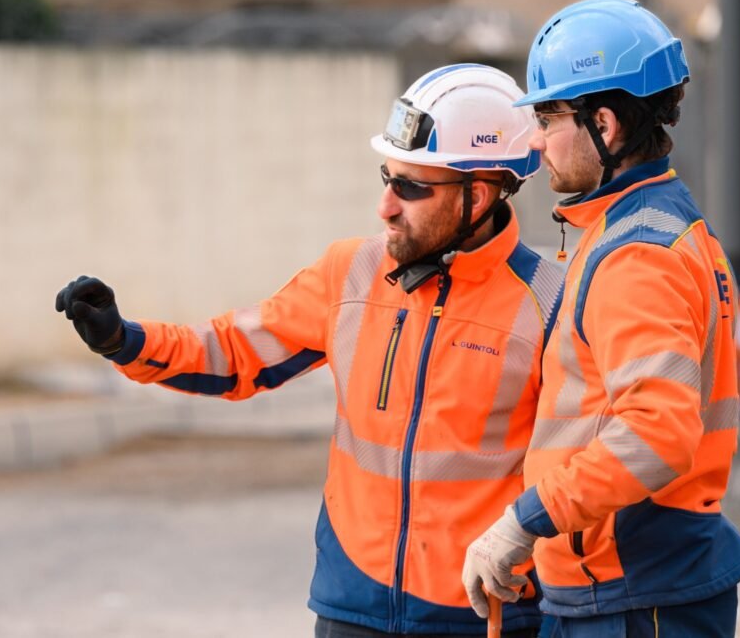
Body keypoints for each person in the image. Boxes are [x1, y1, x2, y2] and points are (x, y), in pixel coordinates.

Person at [56, 64, 564, 637]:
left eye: (410, 187)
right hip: (353, 608)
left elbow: (579, 474)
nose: (385, 206)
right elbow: (234, 350)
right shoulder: (351, 272)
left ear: (479, 194)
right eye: (387, 178)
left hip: (483, 618)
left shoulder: (552, 304)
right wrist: (124, 340)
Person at [461, 0, 740, 637]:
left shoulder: (636, 253)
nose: (536, 140)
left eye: (548, 119)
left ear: (604, 124)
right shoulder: (653, 226)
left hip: (632, 590)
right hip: (629, 581)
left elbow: (657, 431)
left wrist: (525, 521)